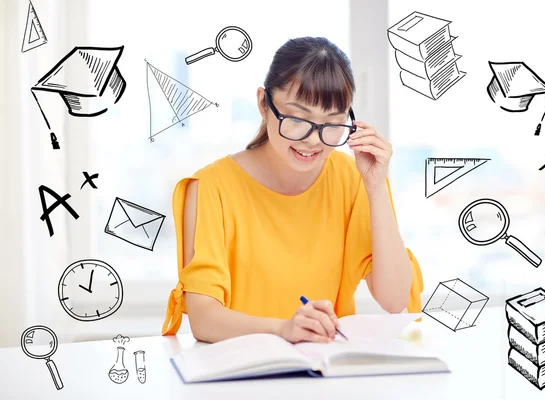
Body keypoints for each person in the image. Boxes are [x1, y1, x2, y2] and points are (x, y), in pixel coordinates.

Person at [162, 36, 424, 344]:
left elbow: (395, 301)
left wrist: (377, 188)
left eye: (332, 123)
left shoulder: (354, 179)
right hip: (239, 376)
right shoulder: (212, 187)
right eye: (298, 119)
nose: (313, 140)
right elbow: (204, 319)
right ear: (263, 103)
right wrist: (284, 330)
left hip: (323, 376)